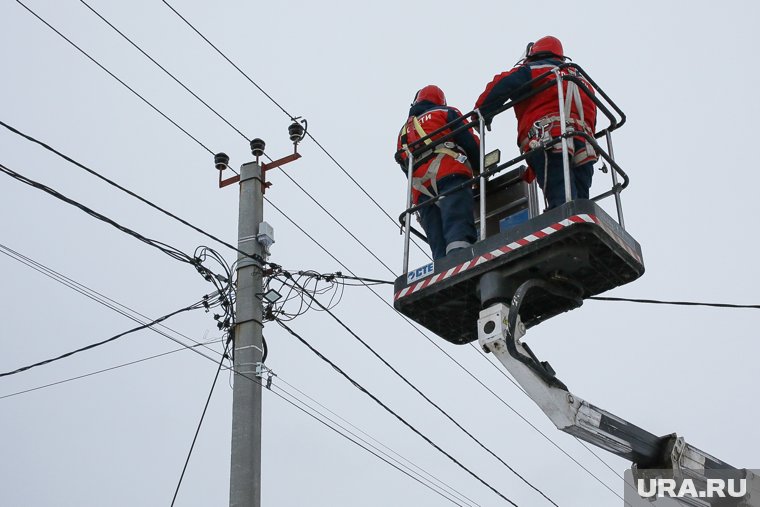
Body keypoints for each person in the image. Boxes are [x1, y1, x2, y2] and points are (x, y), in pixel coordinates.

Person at [475, 36, 598, 209]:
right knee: (580, 199)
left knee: (560, 195)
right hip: (585, 145)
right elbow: (591, 115)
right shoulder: (581, 80)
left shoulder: (535, 69)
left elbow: (502, 84)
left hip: (550, 140)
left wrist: (481, 113)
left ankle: (564, 221)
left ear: (534, 54)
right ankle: (581, 224)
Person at [396, 85, 481, 260]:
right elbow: (470, 143)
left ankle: (442, 271)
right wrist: (480, 169)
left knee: (437, 237)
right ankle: (460, 260)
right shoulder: (446, 112)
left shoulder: (403, 132)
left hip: (421, 190)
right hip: (450, 175)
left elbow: (405, 166)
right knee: (457, 225)